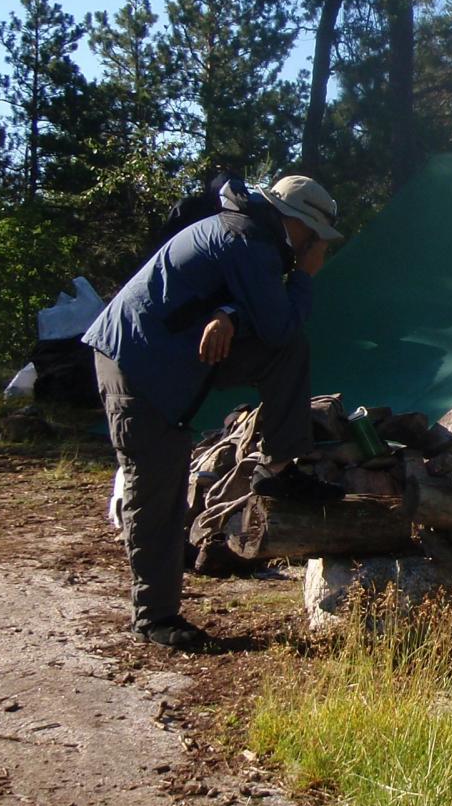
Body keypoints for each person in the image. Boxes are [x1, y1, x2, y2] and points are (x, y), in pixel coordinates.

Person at [83, 175, 343, 650]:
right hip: (137, 363)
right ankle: (155, 618)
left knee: (286, 354)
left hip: (172, 356)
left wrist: (229, 315)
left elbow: (246, 308)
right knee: (157, 489)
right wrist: (304, 276)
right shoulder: (249, 240)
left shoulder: (249, 231)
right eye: (313, 237)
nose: (313, 246)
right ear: (295, 222)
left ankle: (278, 468)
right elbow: (280, 323)